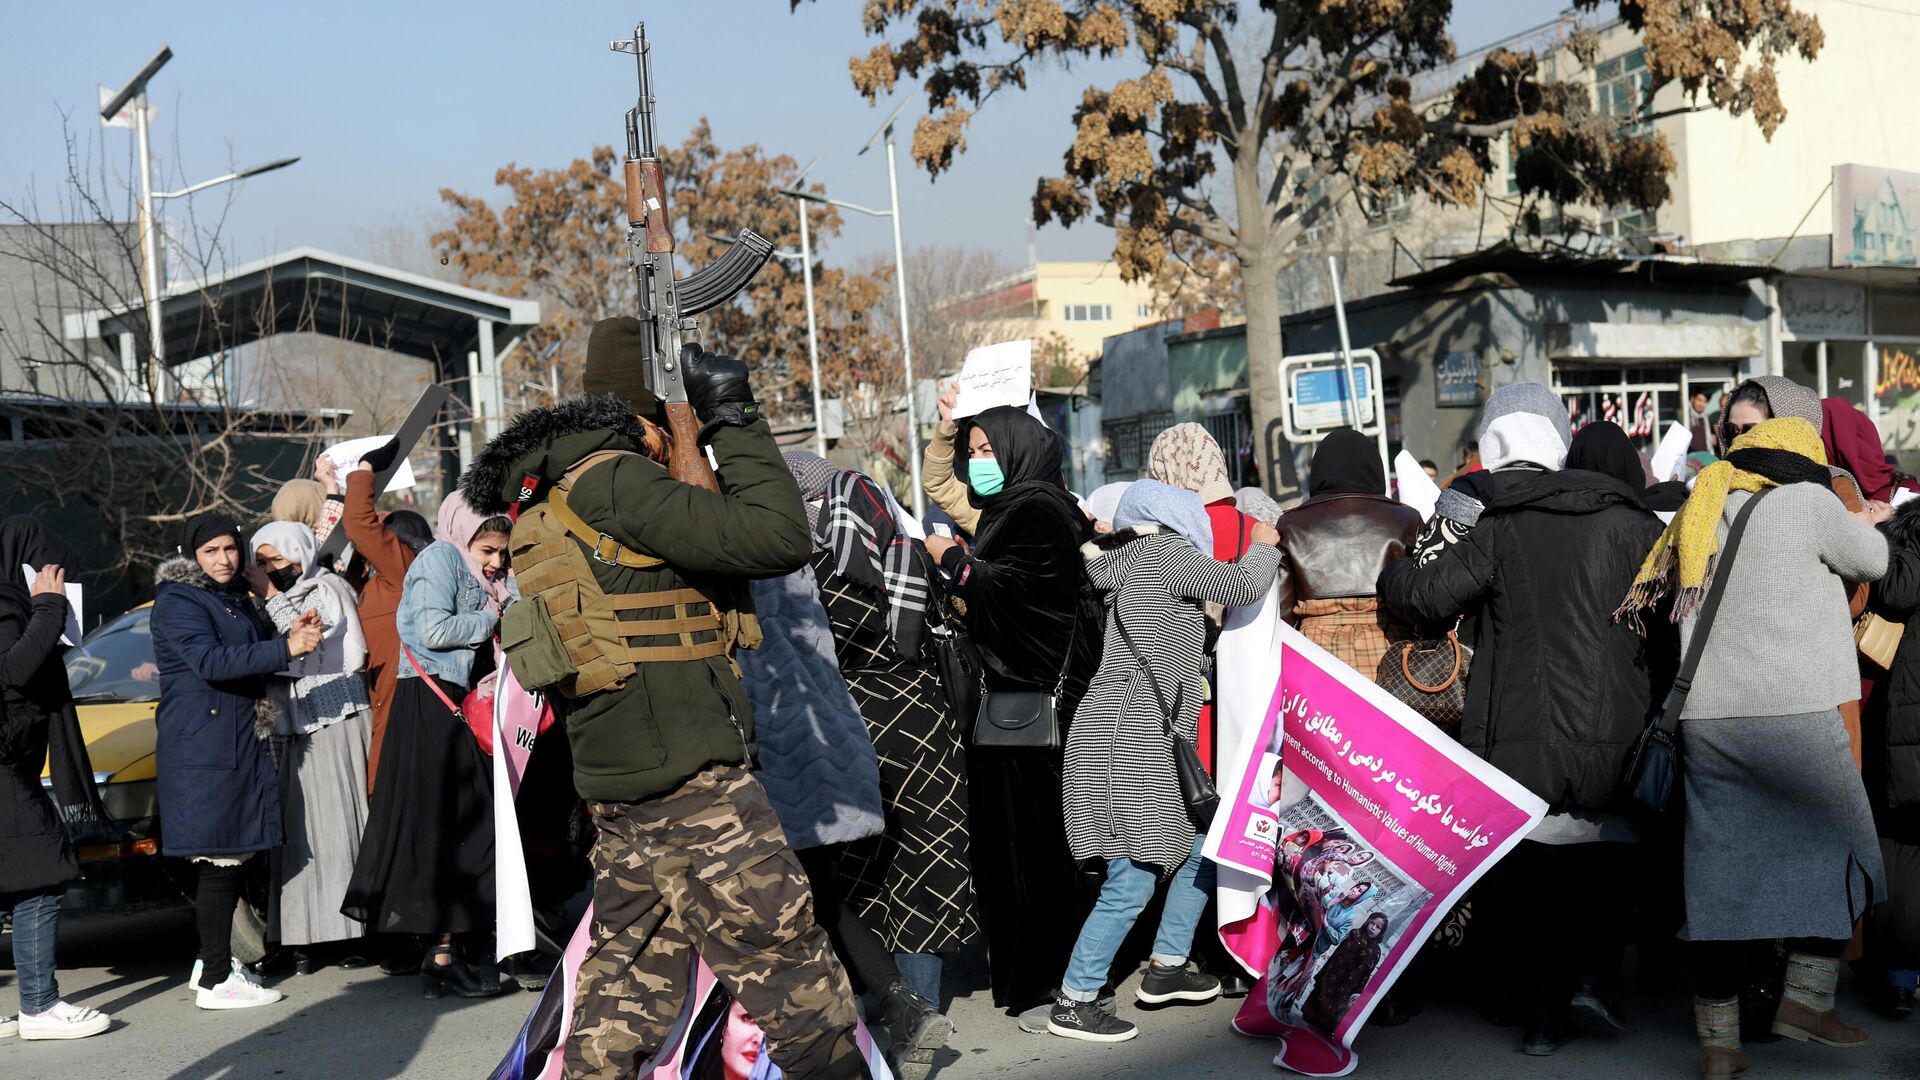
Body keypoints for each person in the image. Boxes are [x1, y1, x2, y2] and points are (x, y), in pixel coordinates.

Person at [460, 315, 862, 1080]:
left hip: (623, 785)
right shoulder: (617, 480)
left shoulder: (553, 490)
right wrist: (735, 416)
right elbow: (778, 536)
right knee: (792, 974)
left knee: (621, 993)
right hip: (691, 786)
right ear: (654, 406)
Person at [1380, 382, 1664, 1057]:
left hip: (1517, 736)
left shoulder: (1498, 526)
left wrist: (1393, 573)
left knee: (1533, 876)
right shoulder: (1638, 525)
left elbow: (1424, 594)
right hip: (1615, 735)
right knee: (1601, 862)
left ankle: (1542, 1020)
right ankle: (1596, 980)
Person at [1619, 417, 1888, 1078]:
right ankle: (1806, 1001)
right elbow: (1874, 564)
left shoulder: (1703, 500)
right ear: (1803, 458)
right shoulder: (1809, 501)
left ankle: (1719, 1045)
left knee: (1719, 879)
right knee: (1849, 847)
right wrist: (1870, 524)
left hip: (1708, 718)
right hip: (1797, 711)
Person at [1048, 479, 1281, 1043]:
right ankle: (1076, 998)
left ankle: (1168, 965)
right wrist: (1266, 537)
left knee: (1205, 842)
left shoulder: (1124, 559)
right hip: (1132, 737)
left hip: (1122, 730)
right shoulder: (1165, 553)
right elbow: (1241, 584)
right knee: (1132, 877)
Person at [783, 452, 979, 1079]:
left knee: (852, 867)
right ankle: (917, 1006)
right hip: (924, 720)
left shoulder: (805, 567)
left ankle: (882, 1002)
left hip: (846, 726)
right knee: (926, 860)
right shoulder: (906, 551)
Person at [921, 404, 1102, 1021]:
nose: (978, 463)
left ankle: (1048, 976)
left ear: (1018, 451)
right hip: (1009, 705)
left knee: (1038, 847)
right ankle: (1028, 974)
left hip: (1038, 710)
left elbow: (1022, 604)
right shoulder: (1011, 509)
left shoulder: (1040, 512)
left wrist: (954, 564)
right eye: (972, 452)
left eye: (987, 451)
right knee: (1011, 851)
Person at [341, 492, 510, 1000]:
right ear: (463, 534)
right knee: (451, 832)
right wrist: (493, 616)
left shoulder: (485, 571)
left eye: (503, 552)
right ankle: (442, 955)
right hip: (433, 706)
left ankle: (451, 951)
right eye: (488, 552)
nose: (497, 562)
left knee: (471, 830)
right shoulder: (439, 559)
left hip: (465, 703)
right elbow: (429, 630)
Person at [154, 513, 323, 1010]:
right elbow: (208, 662)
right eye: (211, 552)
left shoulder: (229, 598)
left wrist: (290, 634)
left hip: (234, 738)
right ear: (193, 556)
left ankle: (213, 964)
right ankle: (214, 978)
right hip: (207, 745)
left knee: (231, 856)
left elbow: (251, 654)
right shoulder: (180, 600)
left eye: (230, 549)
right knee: (219, 860)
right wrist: (285, 645)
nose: (224, 560)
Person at [0, 518, 110, 1040]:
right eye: (51, 568)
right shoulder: (5, 600)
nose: (58, 578)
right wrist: (48, 607)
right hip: (3, 765)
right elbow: (14, 670)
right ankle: (40, 1007)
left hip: (10, 759)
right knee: (41, 874)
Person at [249, 521, 372, 969]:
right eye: (260, 562)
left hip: (336, 718)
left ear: (300, 554)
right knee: (302, 837)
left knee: (339, 831)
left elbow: (311, 645)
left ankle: (352, 934)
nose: (269, 570)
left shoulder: (328, 587)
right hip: (293, 729)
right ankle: (302, 938)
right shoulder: (266, 602)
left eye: (277, 560)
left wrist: (270, 596)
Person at [1274, 428, 1421, 680]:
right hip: (1392, 648)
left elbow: (1283, 609)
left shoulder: (1291, 523)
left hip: (1316, 653)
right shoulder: (1406, 519)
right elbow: (1421, 597)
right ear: (1375, 469)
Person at [327, 450, 429, 793]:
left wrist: (365, 469)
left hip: (396, 706)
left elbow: (357, 523)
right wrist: (329, 487)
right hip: (381, 702)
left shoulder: (403, 570)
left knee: (387, 795)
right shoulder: (382, 583)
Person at [1866, 497, 1920, 1018]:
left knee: (1901, 850)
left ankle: (1898, 977)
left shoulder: (1912, 536)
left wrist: (1887, 532)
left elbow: (1898, 591)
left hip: (1909, 727)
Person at [1302, 913, 1389, 1033]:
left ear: (1382, 932)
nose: (1373, 928)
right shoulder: (1354, 934)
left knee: (1328, 1018)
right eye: (1372, 923)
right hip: (1332, 975)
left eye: (1378, 927)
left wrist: (1357, 993)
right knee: (1315, 1005)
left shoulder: (1375, 952)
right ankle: (1305, 1024)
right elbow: (1337, 954)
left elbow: (1366, 974)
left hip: (1347, 986)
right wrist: (1323, 972)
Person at [922, 383, 984, 535]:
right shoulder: (941, 515)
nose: (978, 459)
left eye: (986, 450)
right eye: (972, 451)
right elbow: (939, 485)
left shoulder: (1029, 510)